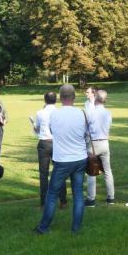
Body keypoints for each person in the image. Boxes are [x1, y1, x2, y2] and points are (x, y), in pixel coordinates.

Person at [34, 84, 88, 235]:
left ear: (60, 97)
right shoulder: (82, 113)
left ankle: (43, 227)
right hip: (80, 158)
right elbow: (86, 134)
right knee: (78, 193)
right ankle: (76, 229)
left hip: (63, 159)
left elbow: (51, 131)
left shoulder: (55, 114)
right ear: (74, 97)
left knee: (52, 194)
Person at [30, 91, 67, 209]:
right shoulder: (60, 112)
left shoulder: (40, 113)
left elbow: (37, 130)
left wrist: (32, 122)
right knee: (60, 172)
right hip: (57, 143)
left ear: (45, 100)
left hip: (44, 143)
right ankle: (63, 201)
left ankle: (43, 203)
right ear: (56, 100)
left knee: (43, 174)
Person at [84, 89, 115, 207]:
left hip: (93, 144)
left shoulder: (90, 112)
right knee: (108, 171)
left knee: (92, 171)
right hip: (104, 143)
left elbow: (86, 130)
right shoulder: (108, 113)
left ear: (96, 98)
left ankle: (91, 199)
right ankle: (111, 197)